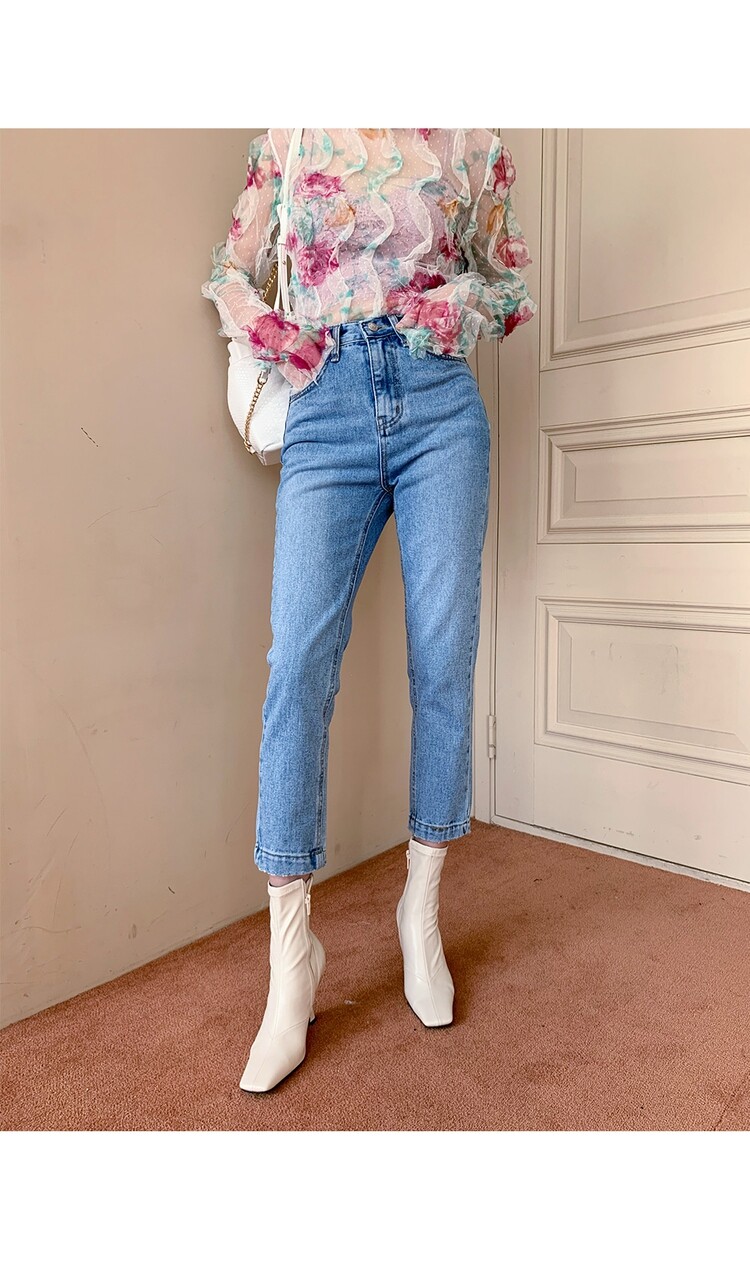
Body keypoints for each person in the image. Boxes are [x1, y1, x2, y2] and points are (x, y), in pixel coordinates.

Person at [203, 132, 534, 1091]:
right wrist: (282, 339)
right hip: (329, 403)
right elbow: (231, 272)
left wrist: (453, 304)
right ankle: (291, 961)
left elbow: (507, 282)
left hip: (440, 405)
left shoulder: (472, 137)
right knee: (298, 665)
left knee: (443, 655)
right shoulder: (293, 130)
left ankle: (419, 914)